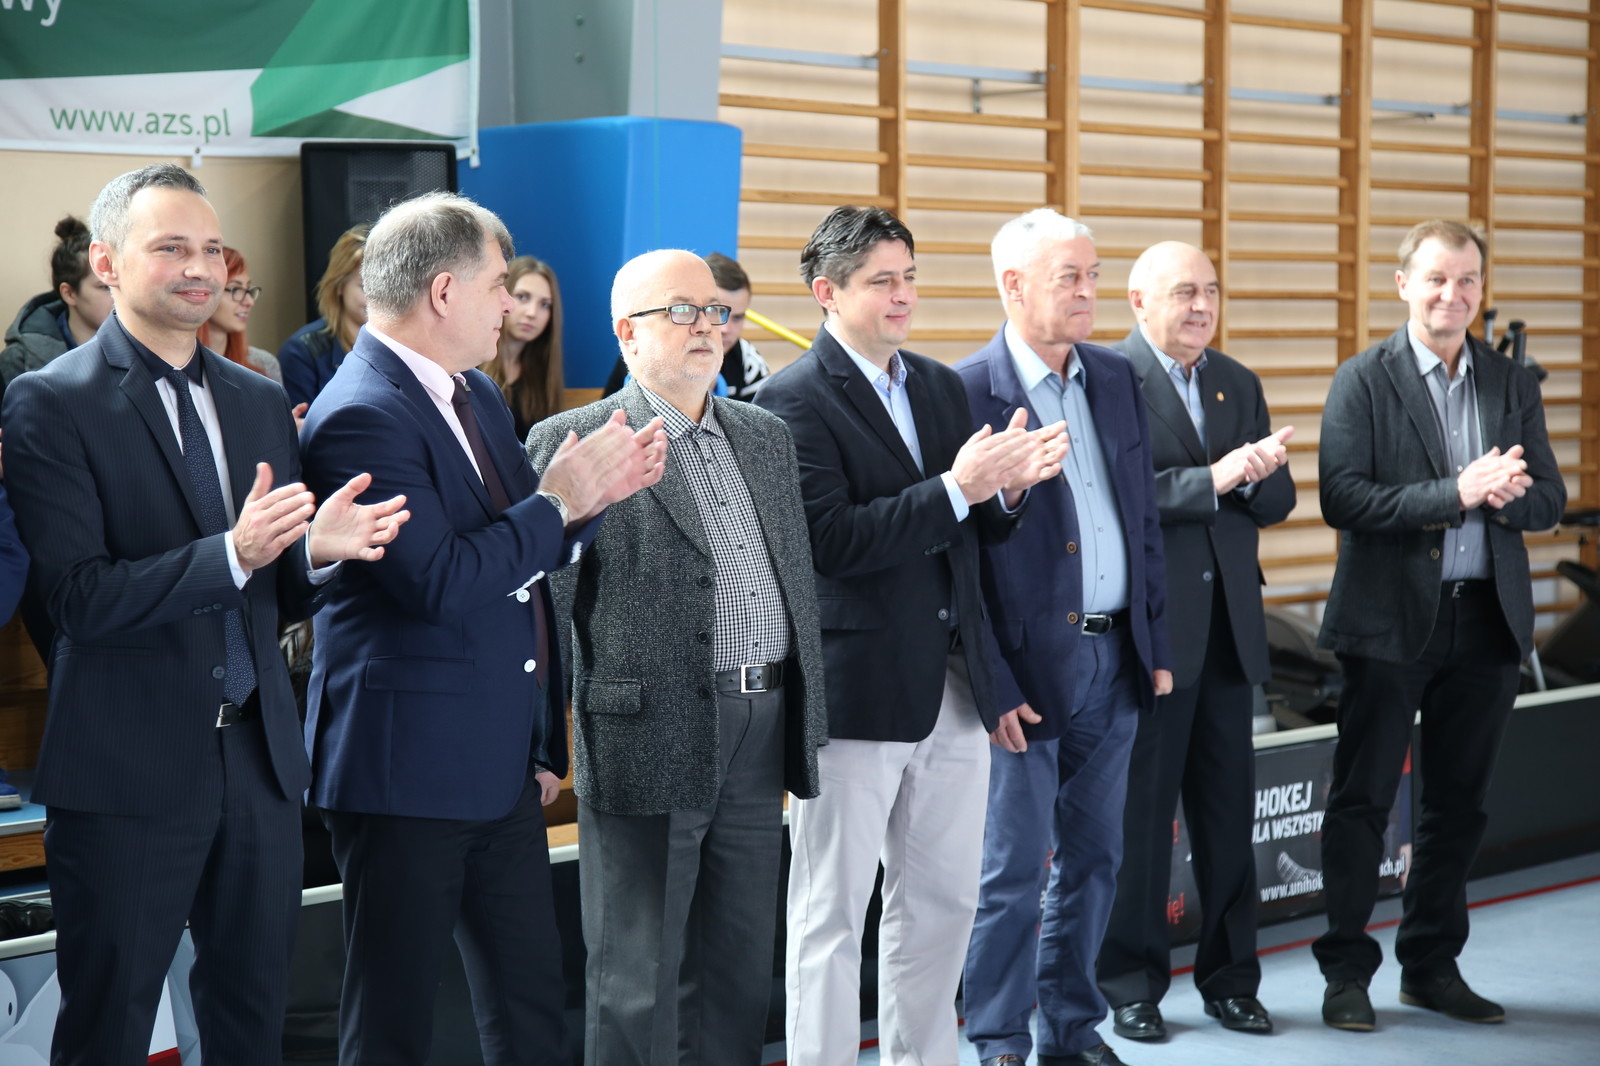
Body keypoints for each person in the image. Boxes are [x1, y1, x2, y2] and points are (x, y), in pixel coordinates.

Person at [0, 162, 409, 1065]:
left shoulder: (258, 397)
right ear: (106, 262)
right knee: (108, 1030)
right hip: (126, 771)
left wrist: (315, 554)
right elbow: (77, 600)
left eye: (213, 249)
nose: (200, 268)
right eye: (171, 248)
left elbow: (268, 588)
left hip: (259, 765)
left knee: (252, 1026)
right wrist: (234, 553)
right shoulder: (51, 401)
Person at [299, 191, 666, 1065]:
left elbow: (523, 557)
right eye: (499, 285)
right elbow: (441, 581)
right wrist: (560, 501)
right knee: (392, 1023)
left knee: (530, 1003)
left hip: (498, 761)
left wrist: (592, 498)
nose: (509, 305)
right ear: (443, 291)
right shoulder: (362, 413)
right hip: (406, 769)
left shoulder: (476, 395)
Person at [755, 206, 1067, 1066]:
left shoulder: (937, 383)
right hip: (855, 694)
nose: (903, 296)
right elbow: (832, 542)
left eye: (910, 277)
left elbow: (965, 538)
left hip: (954, 689)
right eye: (881, 281)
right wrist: (960, 488)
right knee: (830, 916)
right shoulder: (786, 400)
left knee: (942, 906)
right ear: (827, 293)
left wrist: (1004, 492)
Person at [526, 249, 827, 1066]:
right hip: (645, 728)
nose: (707, 326)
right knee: (639, 971)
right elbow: (543, 609)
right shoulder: (574, 438)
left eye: (716, 310)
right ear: (627, 332)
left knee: (738, 958)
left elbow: (794, 578)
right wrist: (541, 742)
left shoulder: (764, 435)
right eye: (681, 310)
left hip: (764, 720)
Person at [1313, 219, 1564, 1031]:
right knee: (1362, 802)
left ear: (1481, 290)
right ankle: (1346, 972)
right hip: (1387, 624)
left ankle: (1429, 966)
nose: (1452, 295)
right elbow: (1343, 497)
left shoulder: (1509, 381)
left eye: (1466, 281)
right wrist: (1456, 492)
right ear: (1402, 285)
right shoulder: (1362, 379)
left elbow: (1549, 499)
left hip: (1486, 621)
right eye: (1435, 279)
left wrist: (1508, 496)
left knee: (1458, 808)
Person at [952, 210, 1170, 1066]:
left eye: (1093, 274)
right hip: (1025, 674)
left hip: (1116, 662)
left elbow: (1141, 517)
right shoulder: (965, 390)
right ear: (1012, 285)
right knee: (1011, 874)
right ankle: (999, 1038)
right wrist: (994, 682)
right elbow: (960, 564)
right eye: (1069, 277)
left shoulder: (1113, 376)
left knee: (1095, 859)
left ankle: (1073, 1030)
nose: (1089, 292)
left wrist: (1154, 643)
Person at [1095, 241, 1294, 1042]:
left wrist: (1257, 472)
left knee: (1226, 822)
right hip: (1153, 635)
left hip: (1230, 637)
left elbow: (1275, 501)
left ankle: (1232, 981)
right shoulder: (1108, 378)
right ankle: (1131, 985)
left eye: (1210, 290)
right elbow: (1115, 496)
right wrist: (1217, 479)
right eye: (1185, 292)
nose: (1202, 306)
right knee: (1141, 822)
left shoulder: (1236, 381)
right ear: (1139, 301)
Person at [600, 251, 769, 400]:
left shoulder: (747, 357)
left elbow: (760, 419)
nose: (724, 328)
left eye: (737, 318)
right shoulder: (648, 354)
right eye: (713, 310)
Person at [0, 215, 115, 399]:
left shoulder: (140, 345)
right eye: (104, 287)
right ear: (69, 294)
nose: (117, 295)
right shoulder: (19, 359)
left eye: (118, 283)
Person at [279, 223, 369, 407]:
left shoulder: (403, 344)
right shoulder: (301, 352)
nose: (376, 296)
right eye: (365, 286)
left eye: (382, 286)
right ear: (339, 286)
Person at [485, 255, 565, 440]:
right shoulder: (470, 365)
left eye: (545, 305)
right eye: (522, 297)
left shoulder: (543, 373)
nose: (532, 313)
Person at [197, 246, 281, 383]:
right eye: (236, 289)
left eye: (248, 290)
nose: (249, 302)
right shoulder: (176, 366)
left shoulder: (263, 364)